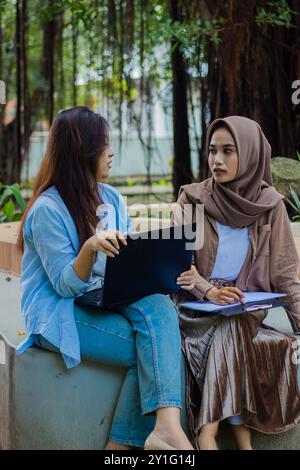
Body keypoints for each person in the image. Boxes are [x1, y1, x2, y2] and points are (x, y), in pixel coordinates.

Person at [16, 106, 194, 451]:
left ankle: (165, 429)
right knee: (149, 350)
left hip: (104, 297)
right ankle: (126, 447)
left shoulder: (111, 198)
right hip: (58, 311)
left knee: (158, 304)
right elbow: (65, 286)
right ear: (82, 152)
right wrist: (89, 249)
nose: (111, 152)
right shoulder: (46, 211)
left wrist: (162, 270)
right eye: (104, 145)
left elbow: (124, 263)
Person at [171, 115, 300, 450]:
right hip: (196, 309)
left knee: (237, 317)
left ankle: (208, 432)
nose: (217, 159)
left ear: (251, 153)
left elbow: (287, 274)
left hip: (244, 306)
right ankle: (230, 439)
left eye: (228, 151)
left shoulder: (270, 206)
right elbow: (177, 265)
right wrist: (208, 290)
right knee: (233, 323)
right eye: (213, 150)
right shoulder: (192, 199)